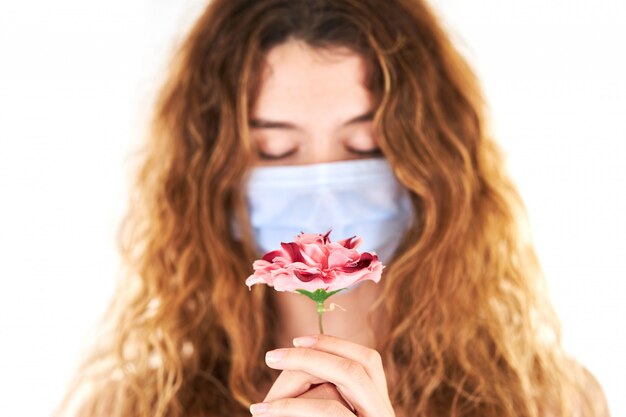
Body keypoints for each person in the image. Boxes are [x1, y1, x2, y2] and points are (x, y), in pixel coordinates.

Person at [53, 1, 611, 416]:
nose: (322, 192)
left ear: (433, 168)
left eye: (365, 147)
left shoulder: (552, 401)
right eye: (273, 149)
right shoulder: (131, 406)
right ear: (209, 179)